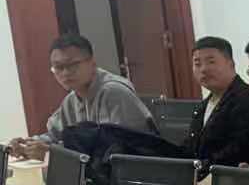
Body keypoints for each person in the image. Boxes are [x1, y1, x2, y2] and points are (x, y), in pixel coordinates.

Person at [6, 34, 155, 158]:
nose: (65, 73)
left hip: (135, 175)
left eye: (72, 65)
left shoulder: (114, 92)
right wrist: (28, 145)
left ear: (92, 63)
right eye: (58, 67)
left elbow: (117, 148)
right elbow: (55, 136)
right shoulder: (71, 100)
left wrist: (53, 152)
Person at [192, 36, 249, 167]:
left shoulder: (248, 100)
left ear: (231, 64)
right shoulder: (203, 106)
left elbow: (237, 153)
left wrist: (198, 167)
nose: (203, 69)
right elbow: (191, 150)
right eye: (197, 64)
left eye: (211, 62)